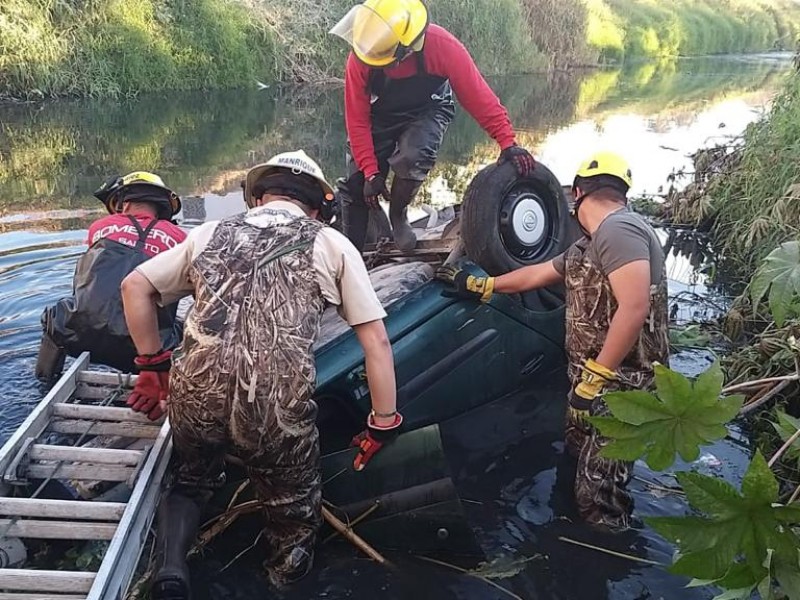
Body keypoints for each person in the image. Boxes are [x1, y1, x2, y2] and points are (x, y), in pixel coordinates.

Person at [120, 150, 401, 597]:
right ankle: (280, 576)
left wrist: (153, 367)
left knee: (191, 480)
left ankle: (171, 567)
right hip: (273, 408)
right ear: (316, 207)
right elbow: (377, 343)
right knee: (292, 509)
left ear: (257, 197)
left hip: (195, 395)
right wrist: (382, 423)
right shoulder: (330, 242)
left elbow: (135, 286)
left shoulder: (210, 232)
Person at [436, 152, 669, 529]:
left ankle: (608, 560)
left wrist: (596, 378)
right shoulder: (587, 245)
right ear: (622, 192)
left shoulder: (619, 230)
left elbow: (634, 307)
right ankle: (574, 539)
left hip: (621, 389)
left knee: (600, 498)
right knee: (577, 467)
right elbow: (537, 275)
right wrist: (483, 285)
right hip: (591, 385)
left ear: (576, 193)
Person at [329, 0, 536, 252]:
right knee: (356, 183)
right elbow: (357, 119)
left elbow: (478, 97)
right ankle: (352, 254)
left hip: (428, 108)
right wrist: (371, 172)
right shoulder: (362, 56)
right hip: (378, 114)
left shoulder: (443, 47)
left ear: (406, 49)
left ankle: (399, 214)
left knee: (414, 155)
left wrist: (507, 143)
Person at [35, 171, 186, 383]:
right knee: (188, 330)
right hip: (148, 349)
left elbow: (94, 284)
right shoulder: (180, 237)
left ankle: (44, 382)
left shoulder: (100, 227)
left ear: (123, 203)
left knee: (54, 318)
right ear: (162, 206)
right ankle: (170, 390)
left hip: (82, 335)